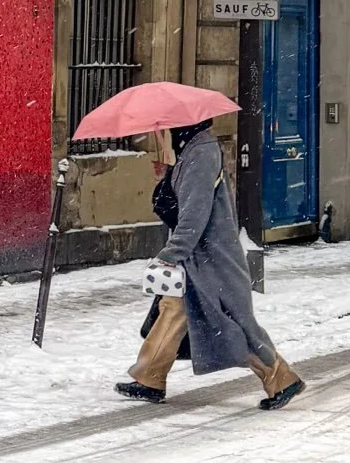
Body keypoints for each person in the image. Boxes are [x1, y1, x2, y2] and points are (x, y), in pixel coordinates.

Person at [116, 117, 305, 408]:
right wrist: (166, 177)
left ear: (188, 123)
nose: (168, 127)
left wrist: (171, 253)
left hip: (212, 260)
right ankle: (150, 377)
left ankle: (281, 378)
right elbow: (179, 204)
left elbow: (194, 214)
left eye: (173, 122)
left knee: (229, 324)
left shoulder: (200, 154)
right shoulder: (191, 151)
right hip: (199, 258)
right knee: (174, 308)